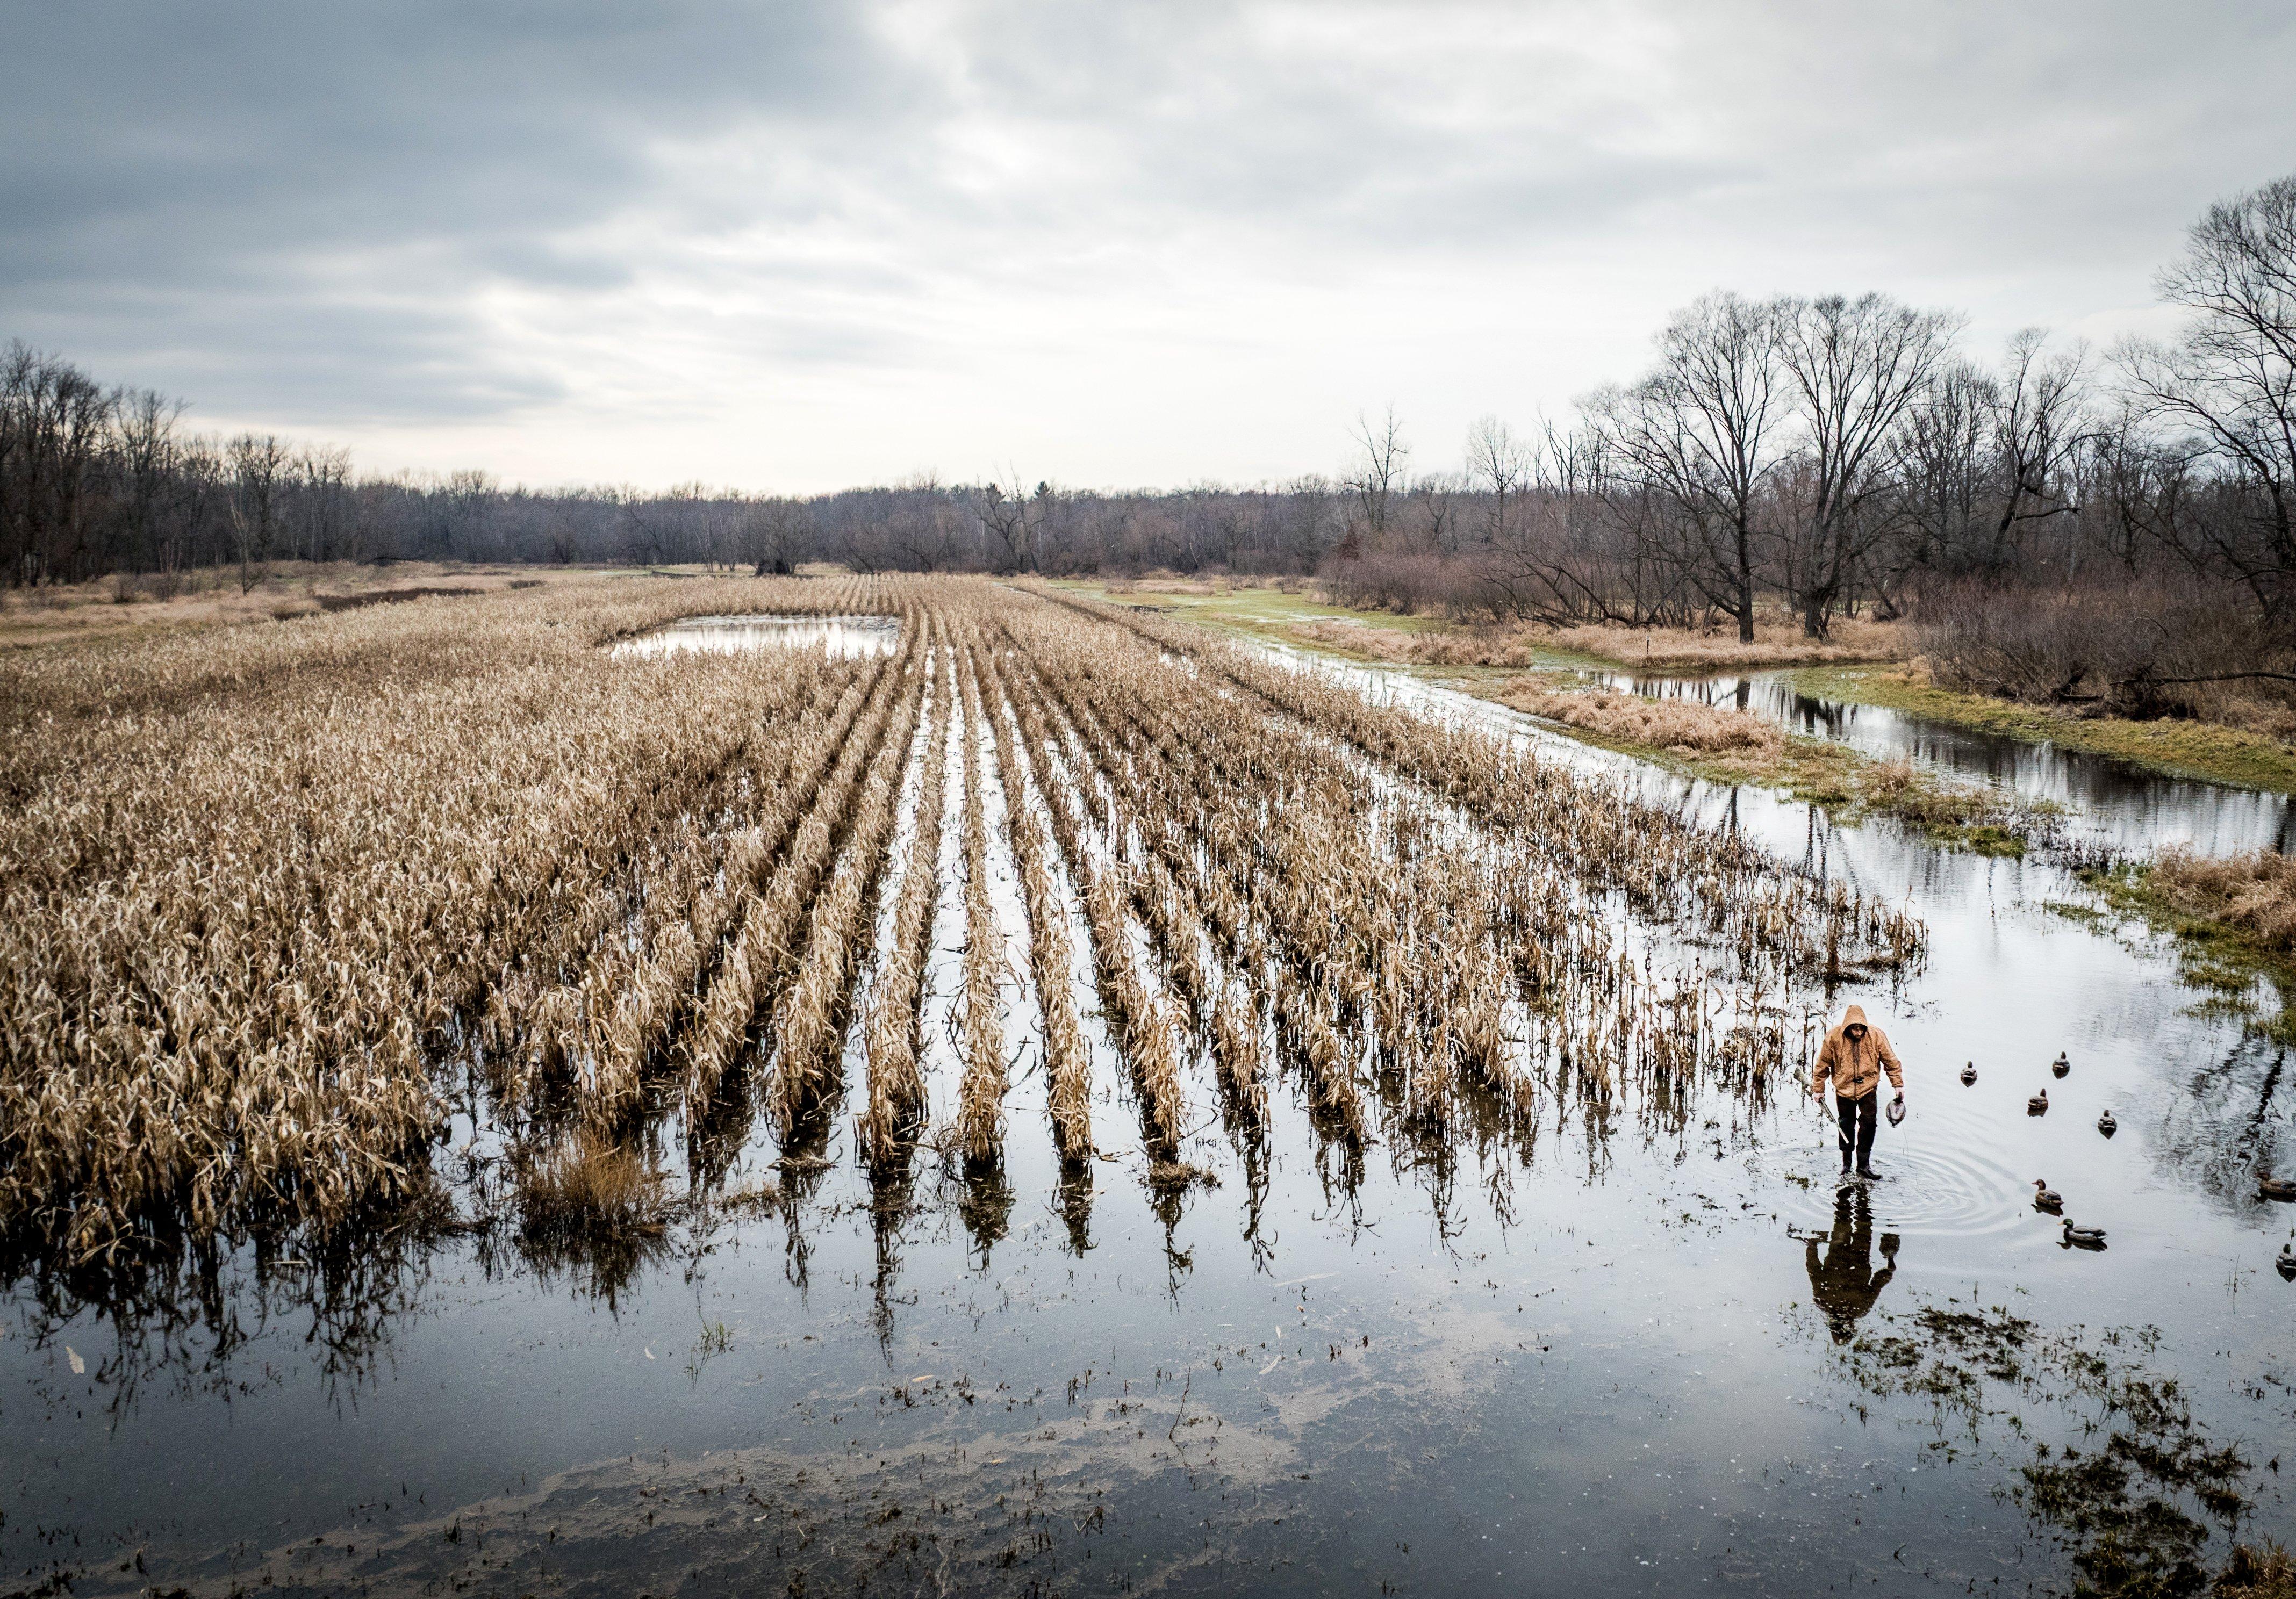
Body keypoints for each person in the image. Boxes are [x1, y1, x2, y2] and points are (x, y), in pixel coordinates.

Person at [1811, 1003, 1905, 1179]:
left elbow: (1891, 1062)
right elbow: (1822, 1065)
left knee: (1869, 1125)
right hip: (1844, 1090)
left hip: (1868, 1088)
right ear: (1848, 1028)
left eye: (1861, 1029)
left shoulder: (1876, 1036)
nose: (1859, 1033)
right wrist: (1818, 1089)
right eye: (1855, 1029)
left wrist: (1898, 1085)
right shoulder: (1833, 1038)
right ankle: (1846, 1165)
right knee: (1846, 1125)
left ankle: (1864, 1165)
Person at [1804, 1185, 1899, 1343]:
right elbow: (1813, 1269)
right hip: (1853, 1256)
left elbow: (1814, 1270)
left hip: (1846, 1256)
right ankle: (1852, 1197)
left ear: (1849, 1326)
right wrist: (1812, 1247)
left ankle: (1856, 1196)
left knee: (1860, 1223)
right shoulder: (1825, 1301)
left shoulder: (1831, 1302)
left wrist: (1889, 1269)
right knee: (1848, 1223)